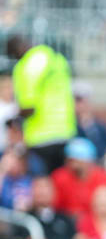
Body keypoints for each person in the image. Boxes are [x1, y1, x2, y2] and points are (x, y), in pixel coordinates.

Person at [7, 36, 77, 173]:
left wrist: (14, 117)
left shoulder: (26, 65)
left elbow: (29, 107)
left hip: (41, 135)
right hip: (65, 131)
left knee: (42, 184)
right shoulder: (57, 59)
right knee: (58, 181)